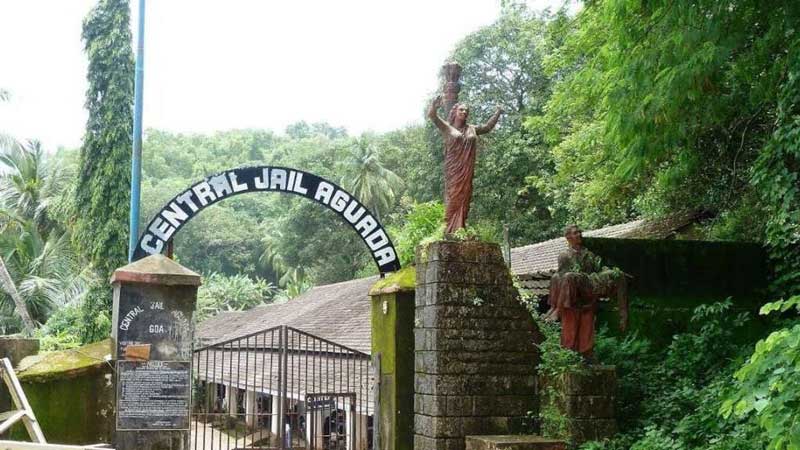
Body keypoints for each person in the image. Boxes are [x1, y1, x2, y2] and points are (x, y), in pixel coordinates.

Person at [546, 225, 629, 358]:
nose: (579, 234)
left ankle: (558, 310)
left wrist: (610, 272)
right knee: (561, 277)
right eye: (575, 233)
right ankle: (557, 308)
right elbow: (560, 276)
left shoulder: (590, 255)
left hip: (587, 288)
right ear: (568, 237)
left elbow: (600, 268)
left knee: (586, 328)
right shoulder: (564, 256)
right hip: (571, 296)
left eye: (579, 232)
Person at [427, 95, 502, 234]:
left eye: (466, 110)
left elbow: (487, 127)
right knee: (454, 196)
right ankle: (449, 228)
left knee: (465, 197)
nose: (464, 112)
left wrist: (498, 112)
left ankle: (460, 228)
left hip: (467, 169)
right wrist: (434, 105)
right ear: (455, 112)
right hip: (454, 170)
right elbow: (432, 116)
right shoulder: (447, 128)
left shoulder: (472, 129)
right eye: (461, 110)